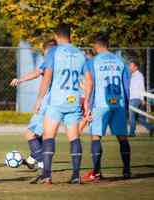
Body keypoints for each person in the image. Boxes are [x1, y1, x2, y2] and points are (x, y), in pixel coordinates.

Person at [32, 24, 92, 185]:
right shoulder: (80, 54)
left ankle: (47, 175)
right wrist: (86, 102)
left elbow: (47, 76)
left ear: (56, 36)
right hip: (73, 100)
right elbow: (89, 80)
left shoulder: (54, 51)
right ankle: (75, 175)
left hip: (57, 101)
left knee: (48, 135)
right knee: (74, 137)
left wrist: (39, 99)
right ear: (69, 35)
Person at [82, 33, 131, 182]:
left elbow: (89, 84)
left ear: (96, 46)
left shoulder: (92, 62)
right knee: (122, 137)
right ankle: (127, 170)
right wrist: (126, 106)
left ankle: (96, 172)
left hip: (100, 104)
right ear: (108, 45)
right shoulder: (121, 62)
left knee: (96, 136)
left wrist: (87, 104)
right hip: (119, 103)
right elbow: (126, 86)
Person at [10, 40, 56, 169]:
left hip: (48, 102)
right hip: (60, 102)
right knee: (43, 134)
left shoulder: (49, 60)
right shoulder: (64, 61)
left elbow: (37, 74)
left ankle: (42, 163)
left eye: (44, 52)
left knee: (30, 133)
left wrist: (20, 80)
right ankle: (32, 159)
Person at [128, 59, 154, 137]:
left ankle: (132, 133)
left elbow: (141, 87)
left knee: (131, 116)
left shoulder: (139, 75)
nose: (130, 67)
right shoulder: (132, 76)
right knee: (139, 118)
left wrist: (142, 99)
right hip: (133, 98)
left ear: (136, 67)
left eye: (131, 66)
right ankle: (151, 127)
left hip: (136, 99)